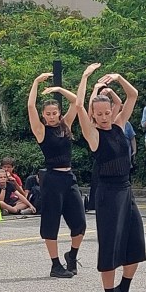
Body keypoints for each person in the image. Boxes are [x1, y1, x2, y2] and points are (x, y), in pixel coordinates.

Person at [74, 68, 145, 292]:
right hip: (108, 193)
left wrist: (117, 80)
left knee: (135, 243)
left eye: (107, 112)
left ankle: (123, 291)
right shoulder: (93, 135)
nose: (104, 117)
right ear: (94, 115)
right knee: (110, 245)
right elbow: (79, 106)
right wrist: (85, 79)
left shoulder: (119, 125)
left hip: (126, 191)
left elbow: (133, 95)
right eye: (99, 113)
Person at [30, 67, 91, 278]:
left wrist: (59, 88)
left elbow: (77, 102)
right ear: (44, 116)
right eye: (48, 114)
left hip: (69, 178)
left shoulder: (66, 125)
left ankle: (71, 256)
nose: (52, 116)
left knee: (80, 224)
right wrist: (36, 83)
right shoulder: (41, 131)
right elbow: (30, 106)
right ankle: (55, 265)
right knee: (51, 223)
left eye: (55, 113)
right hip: (52, 178)